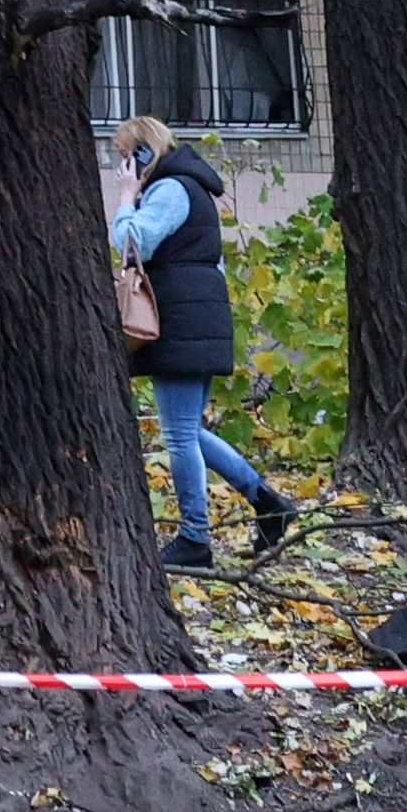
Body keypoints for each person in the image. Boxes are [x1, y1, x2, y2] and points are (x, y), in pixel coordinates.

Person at [109, 116, 295, 572]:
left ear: (144, 153)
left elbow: (133, 244)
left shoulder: (170, 190)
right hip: (194, 317)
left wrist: (124, 199)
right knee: (189, 430)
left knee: (177, 434)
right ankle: (269, 502)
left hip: (181, 320)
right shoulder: (188, 186)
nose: (121, 165)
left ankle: (196, 539)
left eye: (124, 155)